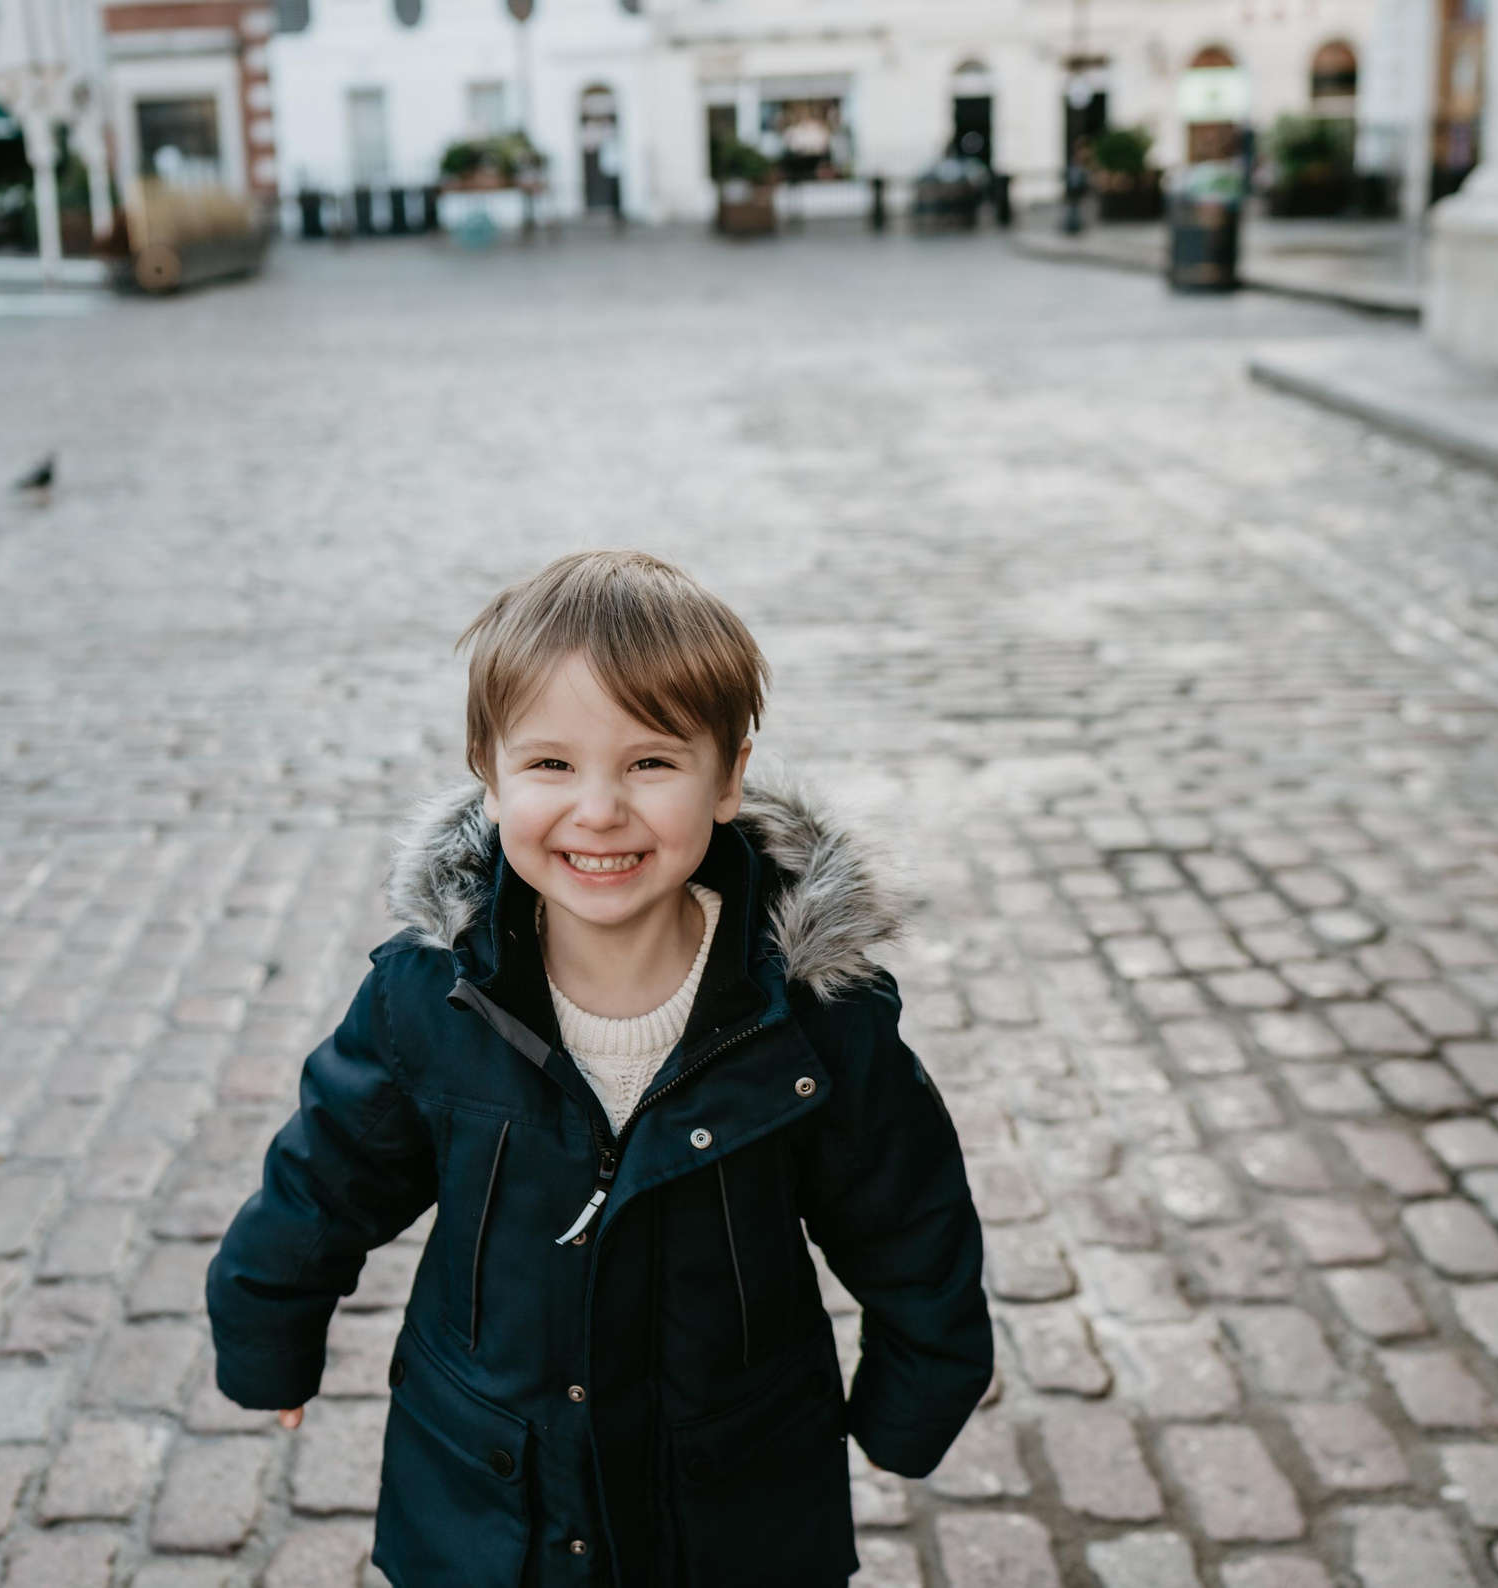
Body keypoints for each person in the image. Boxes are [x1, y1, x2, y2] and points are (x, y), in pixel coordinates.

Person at [207, 550, 992, 1588]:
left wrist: (915, 1397)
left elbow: (910, 1221)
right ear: (489, 772)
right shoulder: (427, 999)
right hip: (492, 1495)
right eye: (551, 764)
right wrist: (267, 1330)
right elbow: (324, 1182)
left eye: (651, 763)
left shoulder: (813, 1019)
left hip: (731, 1493)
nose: (600, 810)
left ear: (728, 777)